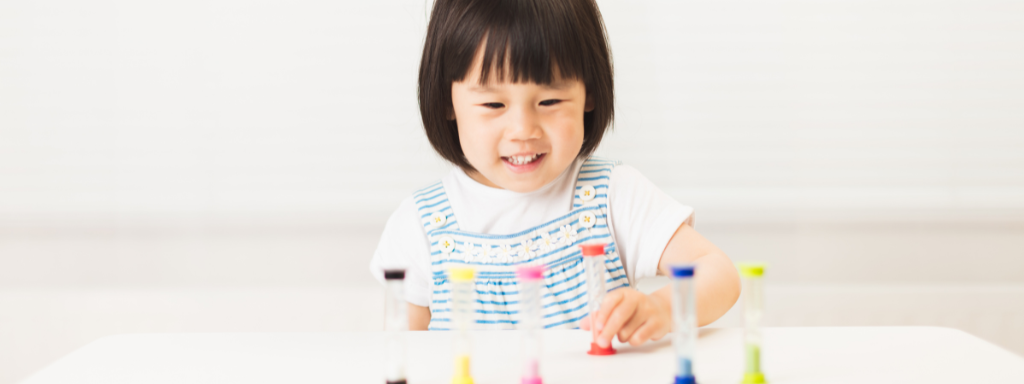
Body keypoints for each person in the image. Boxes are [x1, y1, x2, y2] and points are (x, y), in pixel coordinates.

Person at [370, 0, 740, 348]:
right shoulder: (418, 226)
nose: (523, 129)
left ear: (588, 95)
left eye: (549, 101)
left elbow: (718, 273)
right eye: (493, 104)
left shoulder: (612, 195)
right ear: (447, 102)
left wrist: (662, 309)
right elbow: (403, 356)